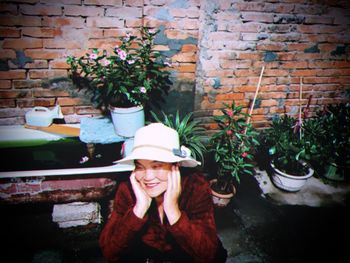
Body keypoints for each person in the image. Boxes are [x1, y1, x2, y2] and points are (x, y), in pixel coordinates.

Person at [99, 123, 227, 263]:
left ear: (175, 166)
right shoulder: (128, 190)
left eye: (157, 166)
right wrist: (138, 210)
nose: (147, 177)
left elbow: (207, 253)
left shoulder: (195, 186)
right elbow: (110, 252)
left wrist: (173, 211)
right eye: (140, 167)